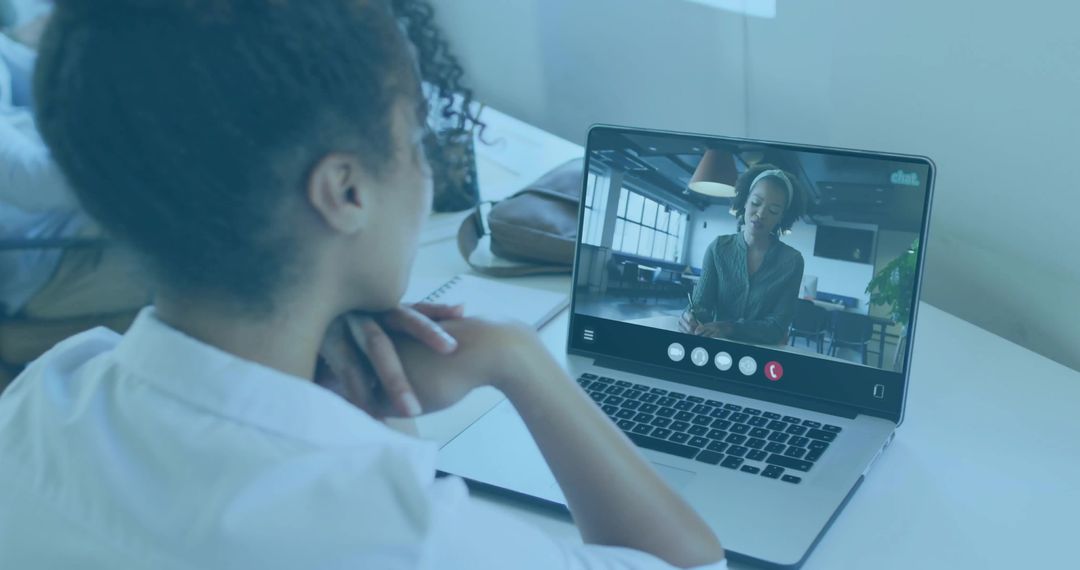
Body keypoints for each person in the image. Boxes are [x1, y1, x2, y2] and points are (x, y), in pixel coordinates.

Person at [0, 2, 726, 569]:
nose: (425, 170)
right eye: (413, 143)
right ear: (345, 191)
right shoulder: (390, 537)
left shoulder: (41, 401)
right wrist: (518, 360)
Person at [0, 10, 151, 320]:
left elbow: (48, 83)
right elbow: (34, 183)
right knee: (226, 250)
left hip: (74, 216)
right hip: (51, 260)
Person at [680, 164, 806, 345]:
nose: (761, 213)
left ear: (781, 217)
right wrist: (689, 317)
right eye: (756, 203)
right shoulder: (718, 248)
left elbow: (777, 328)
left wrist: (729, 327)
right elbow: (701, 307)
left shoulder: (792, 261)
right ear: (745, 200)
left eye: (773, 210)